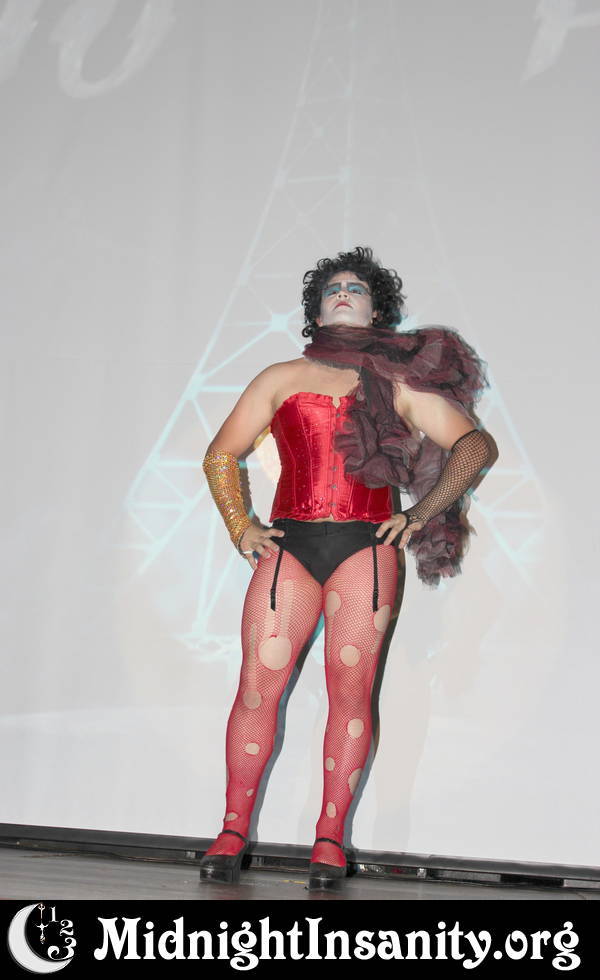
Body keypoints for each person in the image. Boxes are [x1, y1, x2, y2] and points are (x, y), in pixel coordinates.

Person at [200, 245, 493, 892]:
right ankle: (231, 831)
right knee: (257, 688)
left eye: (356, 287)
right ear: (315, 309)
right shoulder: (280, 377)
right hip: (290, 546)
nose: (342, 291)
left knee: (350, 693)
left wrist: (422, 512)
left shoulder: (401, 386)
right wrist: (240, 524)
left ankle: (330, 839)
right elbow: (221, 455)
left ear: (376, 310)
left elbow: (474, 446)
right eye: (331, 287)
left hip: (365, 549)